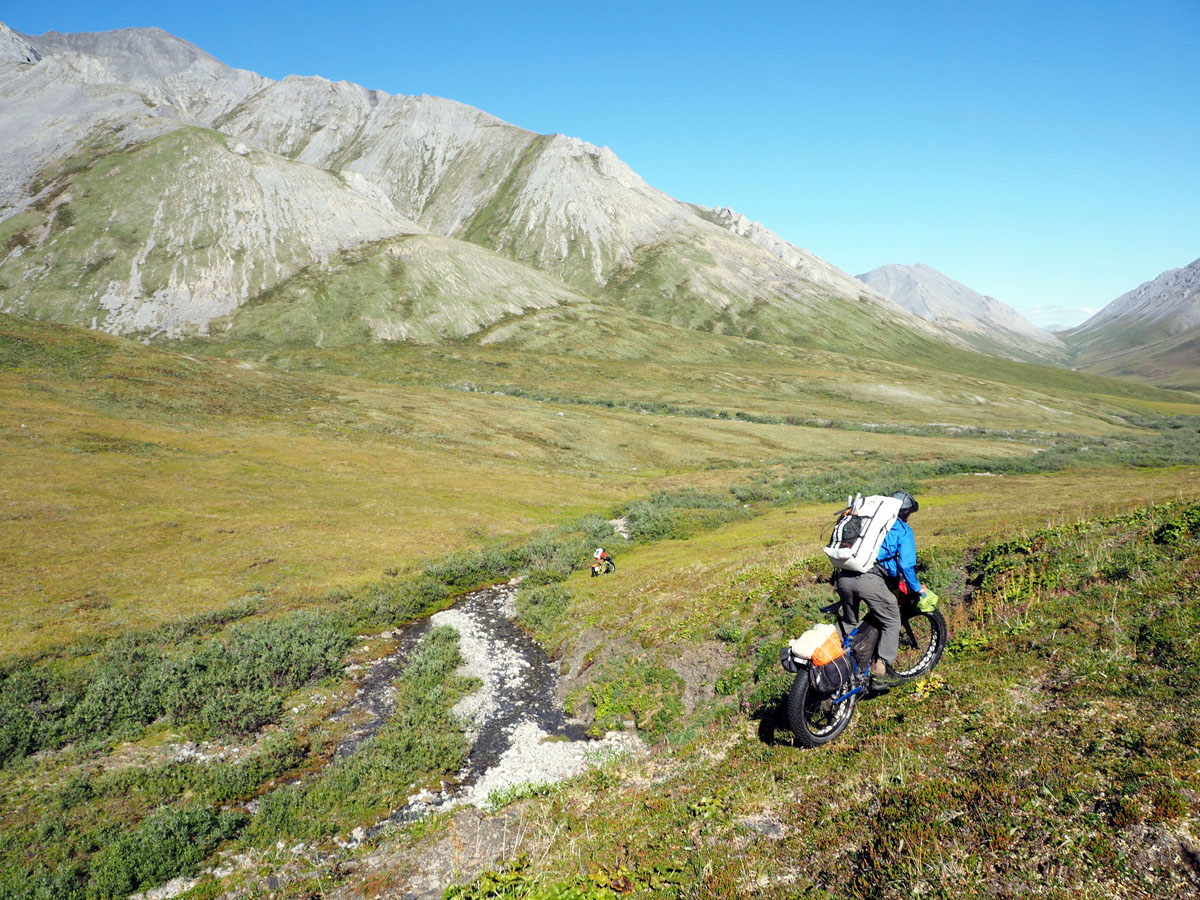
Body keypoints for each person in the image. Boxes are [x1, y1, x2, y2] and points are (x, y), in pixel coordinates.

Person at [833, 491, 927, 687]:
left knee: (849, 625)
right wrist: (917, 588)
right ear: (906, 513)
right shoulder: (902, 529)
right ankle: (881, 672)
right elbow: (907, 566)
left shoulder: (869, 522)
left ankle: (834, 668)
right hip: (869, 580)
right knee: (892, 620)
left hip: (844, 577)